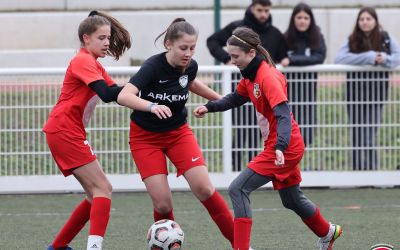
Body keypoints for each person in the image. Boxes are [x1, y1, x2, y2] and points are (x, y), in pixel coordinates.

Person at [194, 27, 342, 250]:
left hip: (284, 147)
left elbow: (283, 115)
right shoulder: (250, 75)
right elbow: (235, 98)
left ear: (251, 53)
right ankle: (327, 232)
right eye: (230, 55)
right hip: (282, 145)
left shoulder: (268, 77)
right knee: (291, 199)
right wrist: (209, 107)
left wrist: (280, 147)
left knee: (238, 188)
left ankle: (241, 248)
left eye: (235, 56)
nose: (231, 61)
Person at [117, 18, 234, 248]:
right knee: (162, 204)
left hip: (178, 133)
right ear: (168, 44)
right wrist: (151, 106)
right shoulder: (152, 66)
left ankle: (240, 243)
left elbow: (191, 83)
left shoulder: (190, 65)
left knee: (204, 188)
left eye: (192, 48)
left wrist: (222, 100)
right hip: (145, 138)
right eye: (183, 48)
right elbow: (124, 96)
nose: (188, 53)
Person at [43, 10, 131, 250]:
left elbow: (116, 93)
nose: (107, 43)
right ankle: (93, 247)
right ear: (86, 39)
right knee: (103, 189)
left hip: (67, 131)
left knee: (95, 194)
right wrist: (143, 84)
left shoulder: (94, 64)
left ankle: (58, 246)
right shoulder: (82, 60)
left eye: (108, 38)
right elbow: (106, 93)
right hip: (64, 130)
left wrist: (145, 91)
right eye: (101, 38)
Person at [207, 0, 288, 171]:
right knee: (241, 131)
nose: (263, 14)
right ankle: (237, 168)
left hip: (264, 91)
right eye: (260, 9)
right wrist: (227, 59)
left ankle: (253, 167)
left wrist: (290, 60)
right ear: (252, 8)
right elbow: (212, 41)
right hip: (246, 85)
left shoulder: (274, 35)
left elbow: (282, 56)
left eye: (267, 10)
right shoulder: (236, 30)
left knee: (255, 133)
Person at [335, 6, 400, 170]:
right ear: (358, 22)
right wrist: (369, 57)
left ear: (375, 21)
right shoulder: (352, 39)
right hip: (354, 94)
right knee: (356, 136)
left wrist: (384, 58)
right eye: (362, 19)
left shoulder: (385, 38)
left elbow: (397, 58)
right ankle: (357, 171)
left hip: (376, 95)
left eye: (368, 19)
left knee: (369, 137)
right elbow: (339, 59)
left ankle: (372, 170)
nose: (365, 22)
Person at [281, 2, 326, 147]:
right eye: (299, 17)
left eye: (306, 18)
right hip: (287, 92)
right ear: (293, 19)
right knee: (288, 133)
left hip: (308, 91)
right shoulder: (285, 38)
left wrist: (292, 60)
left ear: (311, 20)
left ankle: (297, 164)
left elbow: (319, 57)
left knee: (307, 134)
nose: (302, 21)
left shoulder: (317, 37)